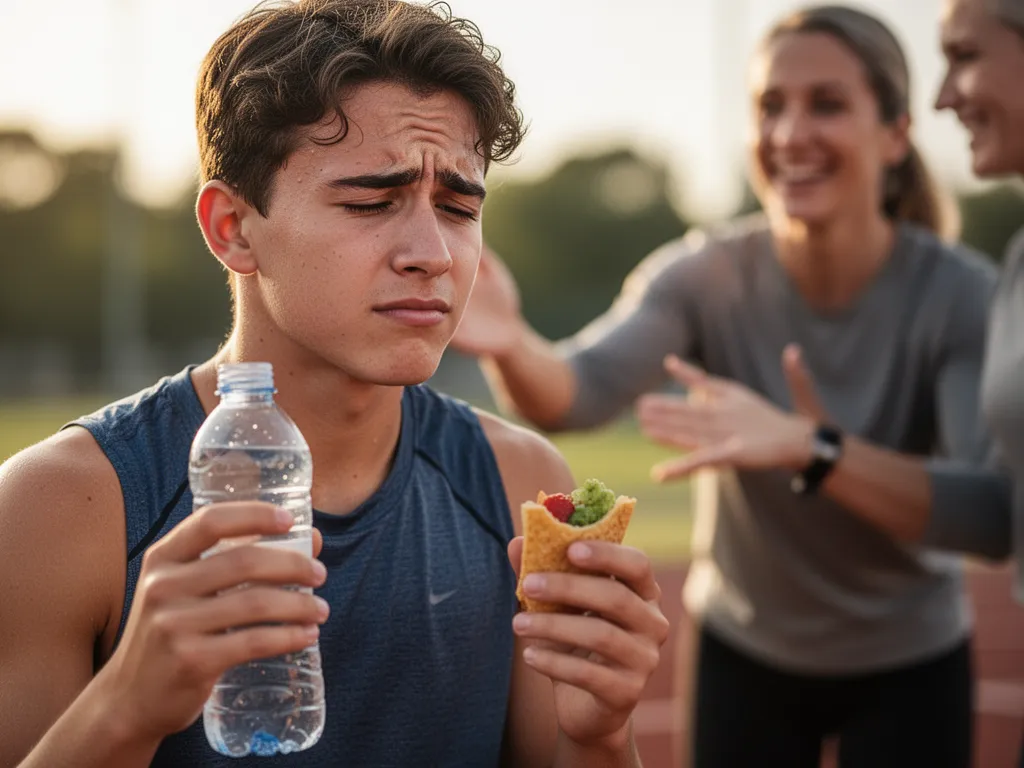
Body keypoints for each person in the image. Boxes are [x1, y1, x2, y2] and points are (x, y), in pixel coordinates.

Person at [0, 2, 670, 766]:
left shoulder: (518, 483)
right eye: (369, 202)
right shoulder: (60, 508)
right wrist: (125, 708)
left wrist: (599, 735)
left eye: (457, 207)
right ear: (232, 228)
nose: (432, 253)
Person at [451, 5, 1001, 767]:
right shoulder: (704, 275)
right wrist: (511, 344)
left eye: (828, 104)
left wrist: (814, 450)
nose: (789, 134)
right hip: (746, 648)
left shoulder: (962, 294)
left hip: (911, 653)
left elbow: (989, 513)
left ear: (897, 134)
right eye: (769, 107)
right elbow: (575, 394)